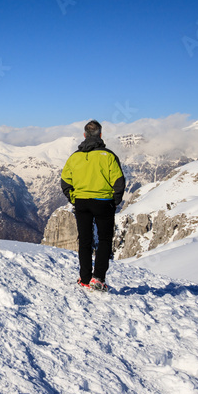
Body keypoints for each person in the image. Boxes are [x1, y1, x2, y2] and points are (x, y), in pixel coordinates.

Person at [60, 120, 125, 292]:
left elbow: (65, 181)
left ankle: (85, 278)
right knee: (104, 240)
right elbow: (119, 182)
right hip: (103, 203)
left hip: (82, 202)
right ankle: (98, 279)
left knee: (85, 241)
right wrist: (114, 201)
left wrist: (74, 198)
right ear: (100, 135)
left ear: (84, 135)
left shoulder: (75, 157)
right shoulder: (109, 156)